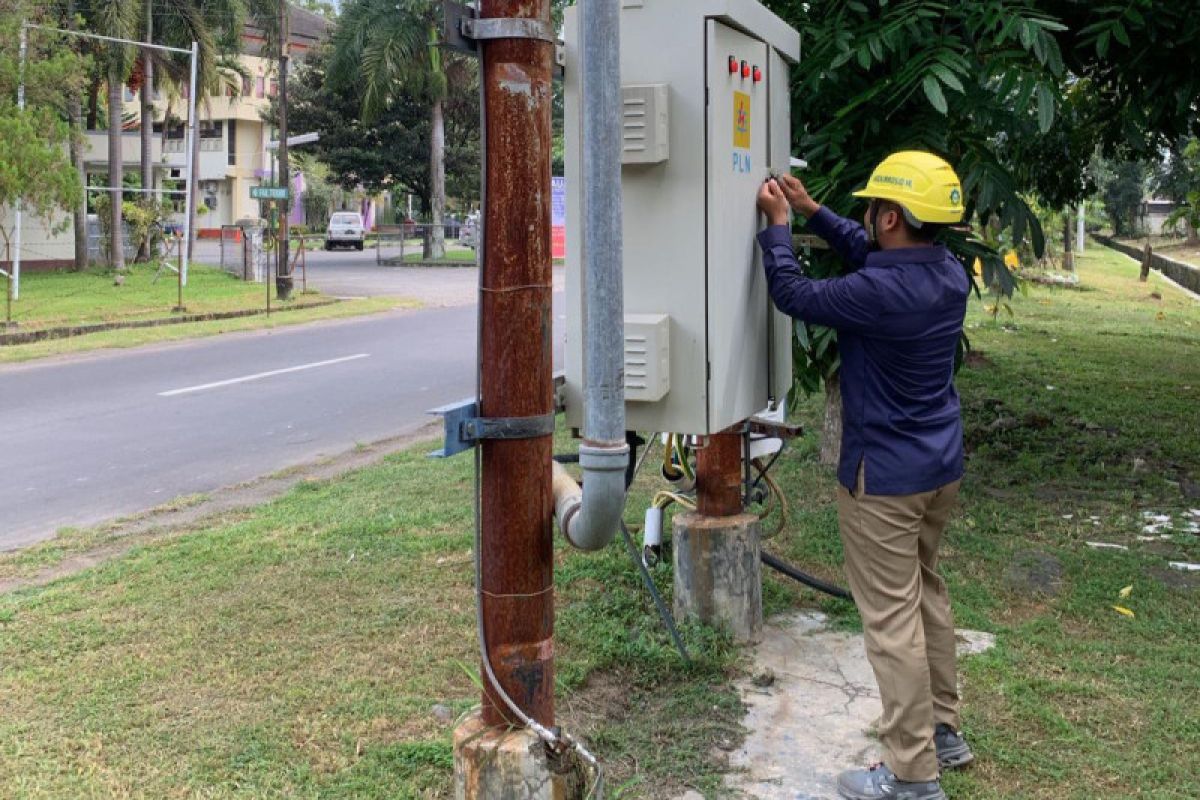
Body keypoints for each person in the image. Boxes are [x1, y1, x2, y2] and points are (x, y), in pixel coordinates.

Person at [755, 151, 975, 800]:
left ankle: (911, 775)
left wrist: (775, 229)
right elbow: (872, 254)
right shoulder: (949, 273)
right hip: (938, 469)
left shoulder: (877, 294)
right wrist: (812, 211)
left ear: (889, 215)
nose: (867, 218)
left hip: (884, 480)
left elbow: (793, 293)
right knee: (925, 593)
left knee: (891, 622)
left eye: (872, 209)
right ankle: (942, 731)